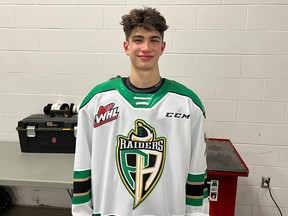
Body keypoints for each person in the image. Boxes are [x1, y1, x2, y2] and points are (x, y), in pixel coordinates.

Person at [72, 6, 209, 216]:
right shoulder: (96, 102)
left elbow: (197, 173)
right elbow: (82, 169)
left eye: (153, 40)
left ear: (163, 47)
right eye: (138, 40)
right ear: (126, 46)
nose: (146, 47)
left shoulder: (188, 105)